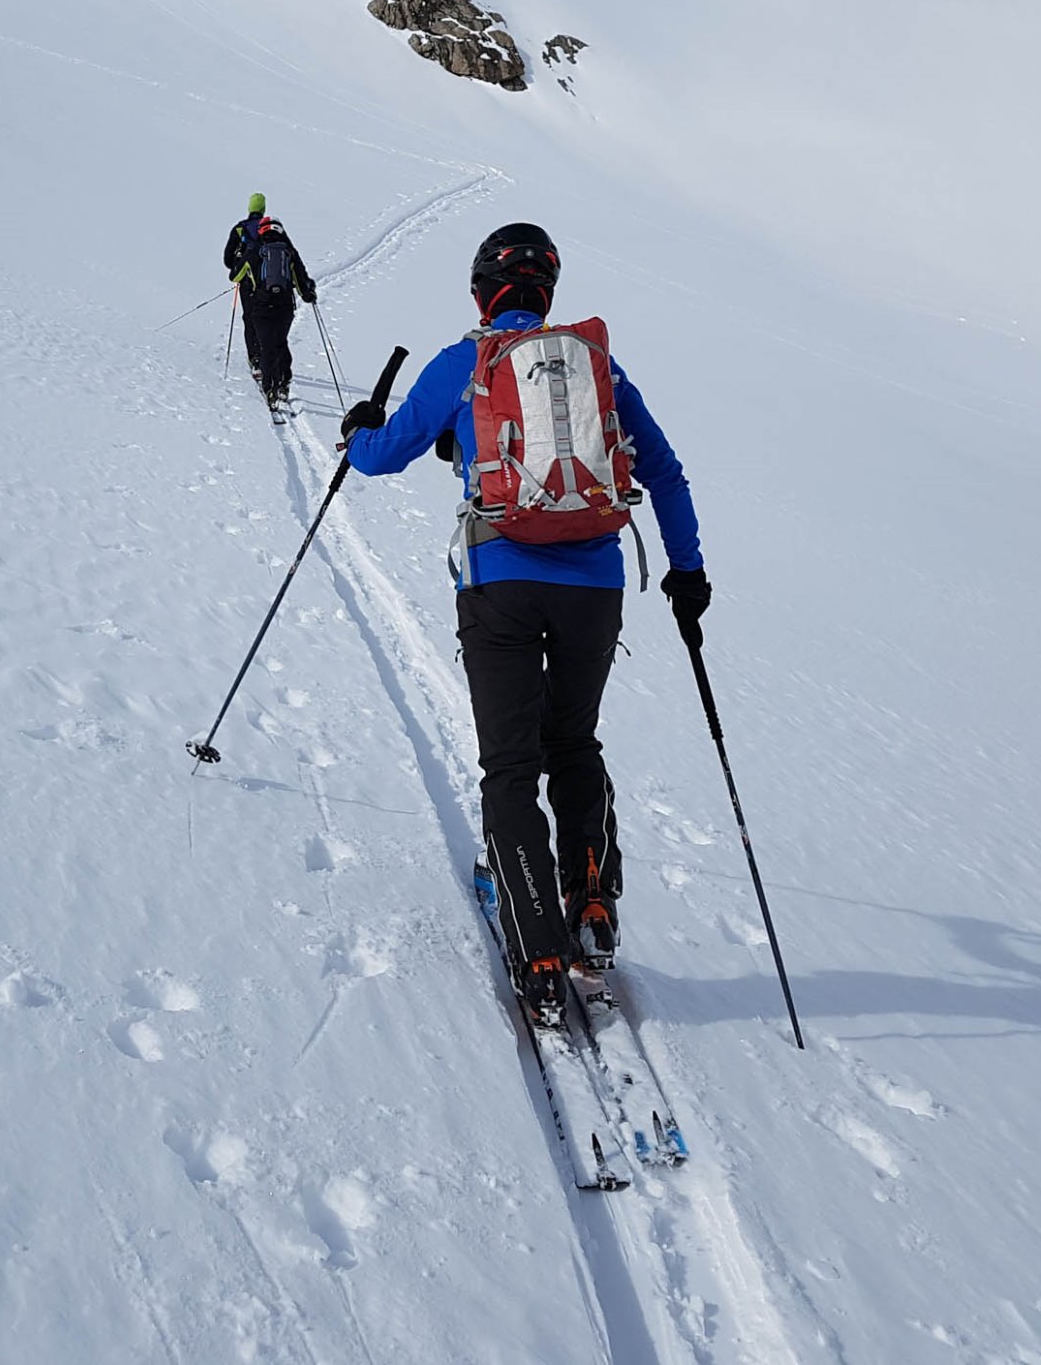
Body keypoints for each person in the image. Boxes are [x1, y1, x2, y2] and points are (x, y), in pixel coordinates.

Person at [337, 223, 711, 1027]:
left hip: (499, 584)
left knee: (510, 766)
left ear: (483, 292)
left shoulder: (464, 364)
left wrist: (357, 427)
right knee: (573, 741)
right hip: (596, 585)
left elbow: (379, 455)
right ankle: (592, 905)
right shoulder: (596, 367)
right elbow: (667, 472)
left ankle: (537, 945)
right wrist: (687, 573)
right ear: (547, 293)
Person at [221, 193, 318, 412]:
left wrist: (241, 260)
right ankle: (283, 383)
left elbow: (231, 269)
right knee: (279, 342)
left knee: (261, 339)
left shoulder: (242, 232)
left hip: (257, 297)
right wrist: (308, 293)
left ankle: (264, 378)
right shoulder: (286, 250)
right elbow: (301, 278)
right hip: (284, 304)